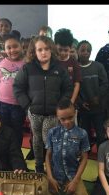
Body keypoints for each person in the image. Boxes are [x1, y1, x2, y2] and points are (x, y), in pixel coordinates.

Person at [13, 35, 73, 173]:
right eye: (40, 49)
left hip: (53, 114)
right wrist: (27, 106)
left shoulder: (59, 69)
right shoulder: (28, 68)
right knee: (37, 141)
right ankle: (39, 167)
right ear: (34, 51)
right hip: (35, 113)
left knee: (49, 140)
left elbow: (68, 88)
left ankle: (51, 167)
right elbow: (18, 88)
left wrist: (61, 106)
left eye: (46, 49)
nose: (43, 52)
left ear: (51, 50)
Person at [45, 99, 91, 195]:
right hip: (55, 177)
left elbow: (85, 158)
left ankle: (71, 191)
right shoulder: (52, 132)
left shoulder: (82, 133)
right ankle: (62, 191)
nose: (67, 122)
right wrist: (50, 178)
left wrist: (75, 181)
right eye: (62, 119)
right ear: (57, 117)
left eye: (70, 117)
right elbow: (48, 156)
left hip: (72, 176)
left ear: (75, 113)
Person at [77, 40, 108, 149]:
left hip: (98, 107)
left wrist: (97, 97)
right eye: (83, 50)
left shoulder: (98, 66)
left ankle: (101, 152)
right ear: (77, 51)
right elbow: (73, 88)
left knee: (100, 132)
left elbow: (105, 83)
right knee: (85, 132)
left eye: (88, 50)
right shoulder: (76, 68)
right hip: (84, 108)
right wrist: (80, 103)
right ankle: (86, 151)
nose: (85, 53)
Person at [54, 28, 81, 105]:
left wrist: (71, 101)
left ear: (71, 47)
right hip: (55, 103)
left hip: (70, 103)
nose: (62, 53)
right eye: (60, 50)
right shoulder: (52, 62)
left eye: (66, 50)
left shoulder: (74, 63)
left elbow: (77, 84)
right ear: (55, 46)